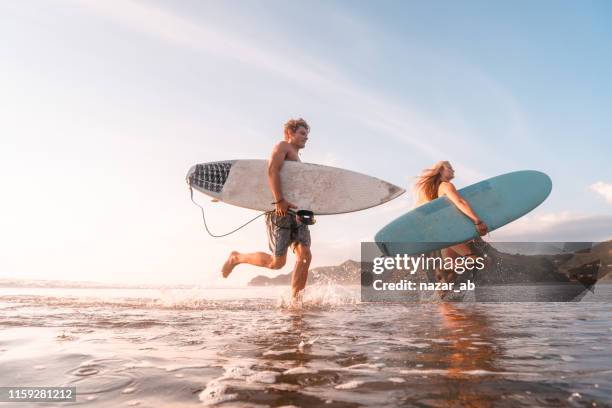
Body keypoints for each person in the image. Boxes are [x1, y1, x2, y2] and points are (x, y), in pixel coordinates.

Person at [221, 118, 312, 301]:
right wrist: (279, 200)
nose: (306, 137)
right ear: (290, 133)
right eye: (302, 133)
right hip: (279, 210)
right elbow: (272, 170)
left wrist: (308, 213)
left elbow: (298, 189)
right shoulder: (282, 147)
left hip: (297, 213)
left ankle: (295, 302)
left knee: (305, 255)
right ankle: (236, 258)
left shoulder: (296, 157)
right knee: (277, 263)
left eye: (307, 135)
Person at [415, 161, 488, 282]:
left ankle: (440, 297)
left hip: (443, 235)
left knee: (450, 273)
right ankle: (444, 273)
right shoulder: (446, 185)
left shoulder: (436, 189)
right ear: (440, 171)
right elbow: (460, 202)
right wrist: (477, 221)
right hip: (449, 235)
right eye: (449, 167)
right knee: (475, 260)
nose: (453, 170)